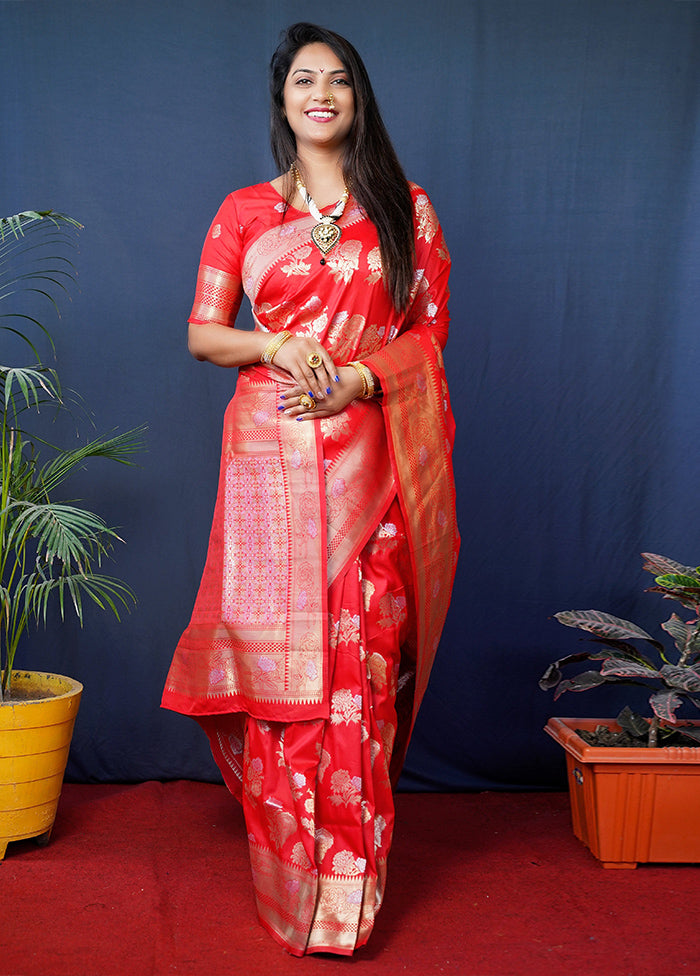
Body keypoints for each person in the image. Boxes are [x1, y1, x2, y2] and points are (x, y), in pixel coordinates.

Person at [162, 22, 459, 956]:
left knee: (356, 675)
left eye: (337, 80)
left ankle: (348, 894)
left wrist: (363, 379)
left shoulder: (407, 211)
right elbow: (204, 334)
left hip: (371, 473)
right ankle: (292, 884)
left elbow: (429, 339)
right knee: (283, 686)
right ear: (283, 101)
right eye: (303, 80)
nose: (319, 93)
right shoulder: (243, 210)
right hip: (268, 473)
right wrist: (276, 344)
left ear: (358, 98)